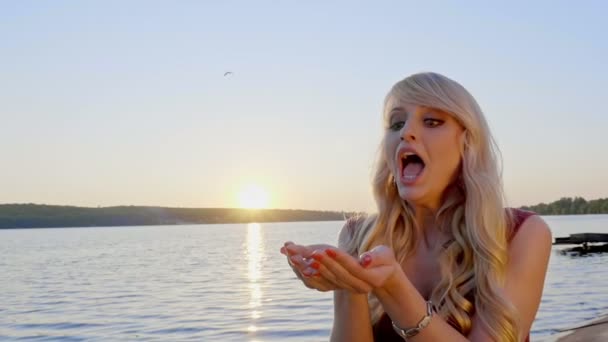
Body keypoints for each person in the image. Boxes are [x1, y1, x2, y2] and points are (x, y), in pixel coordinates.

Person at [280, 72, 552, 341]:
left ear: (468, 143)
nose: (407, 133)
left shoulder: (522, 234)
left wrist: (394, 288)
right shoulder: (357, 235)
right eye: (396, 124)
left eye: (432, 121)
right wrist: (347, 281)